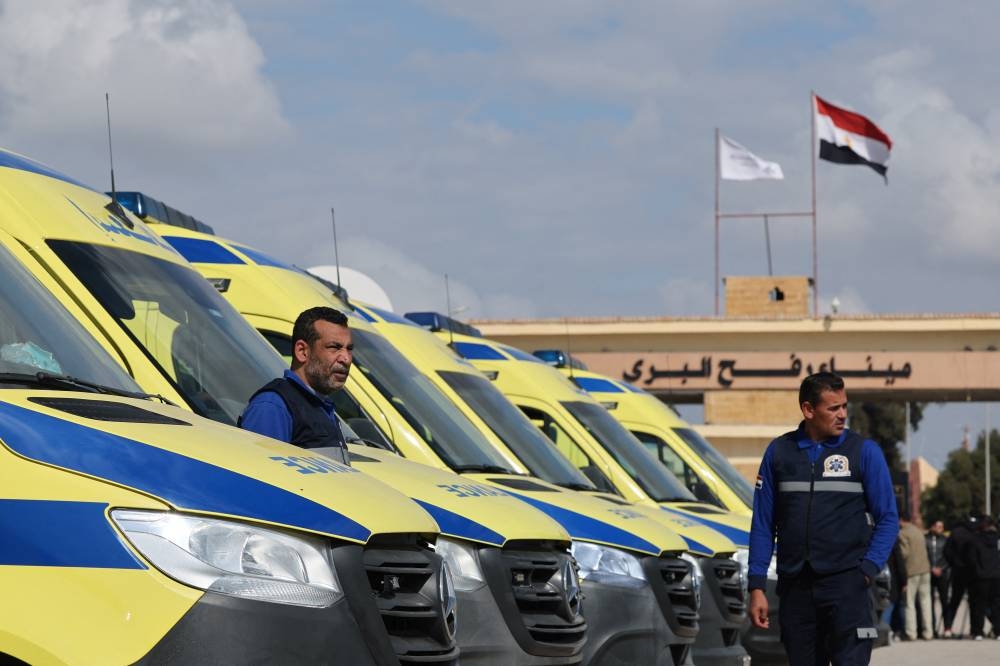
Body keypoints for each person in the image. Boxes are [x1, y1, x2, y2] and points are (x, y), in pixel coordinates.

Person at [748, 372, 899, 665]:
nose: (842, 414)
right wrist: (756, 586)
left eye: (844, 406)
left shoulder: (864, 452)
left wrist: (866, 569)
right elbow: (763, 524)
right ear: (808, 410)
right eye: (833, 408)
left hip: (848, 587)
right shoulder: (779, 453)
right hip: (796, 590)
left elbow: (888, 518)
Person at [239, 306, 353, 464]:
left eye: (349, 349)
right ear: (302, 351)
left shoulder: (322, 407)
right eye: (334, 347)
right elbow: (261, 479)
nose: (346, 358)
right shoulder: (273, 406)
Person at [942, 515, 979, 637]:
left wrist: (954, 562)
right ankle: (975, 630)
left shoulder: (956, 532)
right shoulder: (977, 533)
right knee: (974, 602)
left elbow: (946, 551)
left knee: (954, 600)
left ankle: (948, 628)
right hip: (974, 572)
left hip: (958, 571)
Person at [898, 514, 932, 640]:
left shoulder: (902, 534)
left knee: (909, 603)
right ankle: (928, 632)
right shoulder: (919, 531)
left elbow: (904, 553)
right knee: (926, 601)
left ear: (900, 520)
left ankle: (911, 633)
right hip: (925, 569)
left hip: (912, 571)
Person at [967, 515, 1000, 640]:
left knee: (979, 605)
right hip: (996, 575)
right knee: (996, 604)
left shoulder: (976, 539)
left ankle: (978, 631)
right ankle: (998, 631)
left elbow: (972, 558)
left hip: (981, 576)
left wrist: (977, 570)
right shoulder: (997, 539)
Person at [925, 520, 950, 637]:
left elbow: (949, 556)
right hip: (929, 573)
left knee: (944, 600)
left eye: (942, 527)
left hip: (942, 573)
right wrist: (931, 567)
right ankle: (931, 629)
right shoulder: (925, 539)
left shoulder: (945, 540)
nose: (940, 529)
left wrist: (941, 568)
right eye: (938, 526)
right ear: (932, 526)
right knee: (929, 602)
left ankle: (947, 628)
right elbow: (923, 555)